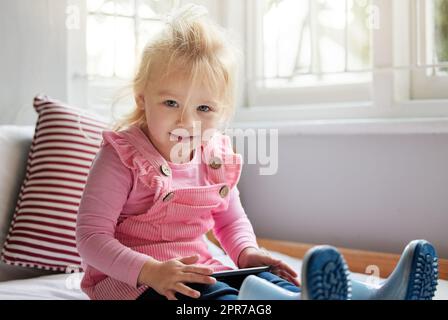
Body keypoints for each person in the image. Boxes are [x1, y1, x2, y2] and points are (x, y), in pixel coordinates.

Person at [76, 4, 438, 300]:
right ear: (143, 98)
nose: (187, 120)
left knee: (268, 280)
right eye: (171, 102)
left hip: (202, 269)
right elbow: (91, 239)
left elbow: (229, 220)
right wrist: (150, 270)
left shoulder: (214, 155)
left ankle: (371, 295)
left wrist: (247, 253)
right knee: (217, 300)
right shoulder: (122, 155)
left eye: (204, 109)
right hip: (134, 285)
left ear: (222, 112)